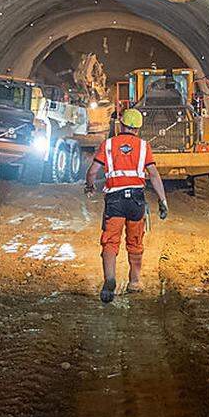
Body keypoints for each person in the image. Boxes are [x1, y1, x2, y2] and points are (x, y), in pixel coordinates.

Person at [85, 108, 169, 303]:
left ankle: (110, 280)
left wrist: (89, 187)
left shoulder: (108, 145)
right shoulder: (143, 146)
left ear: (120, 125)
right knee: (135, 242)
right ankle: (135, 281)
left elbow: (92, 172)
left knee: (110, 242)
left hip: (115, 201)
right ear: (138, 129)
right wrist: (162, 200)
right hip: (136, 201)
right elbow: (154, 175)